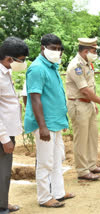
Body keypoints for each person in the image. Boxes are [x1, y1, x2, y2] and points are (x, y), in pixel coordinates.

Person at [24, 34, 75, 208]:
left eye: (59, 49)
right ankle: (44, 197)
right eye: (53, 48)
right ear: (42, 48)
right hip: (44, 124)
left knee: (56, 159)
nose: (57, 52)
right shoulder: (37, 68)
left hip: (56, 122)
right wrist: (42, 126)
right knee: (45, 162)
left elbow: (55, 96)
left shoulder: (52, 66)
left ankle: (58, 193)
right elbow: (35, 99)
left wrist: (63, 120)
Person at [66, 38, 100, 181]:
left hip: (88, 104)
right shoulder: (76, 66)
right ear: (85, 51)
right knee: (81, 139)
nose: (95, 53)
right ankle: (82, 170)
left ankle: (91, 165)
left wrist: (94, 103)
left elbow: (90, 86)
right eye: (94, 51)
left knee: (92, 136)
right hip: (78, 104)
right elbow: (84, 90)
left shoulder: (87, 63)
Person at [0, 36, 28, 214]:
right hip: (3, 134)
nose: (23, 64)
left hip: (7, 131)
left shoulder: (5, 72)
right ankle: (2, 206)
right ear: (10, 59)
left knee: (4, 171)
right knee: (2, 172)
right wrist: (4, 138)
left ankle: (3, 202)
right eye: (22, 60)